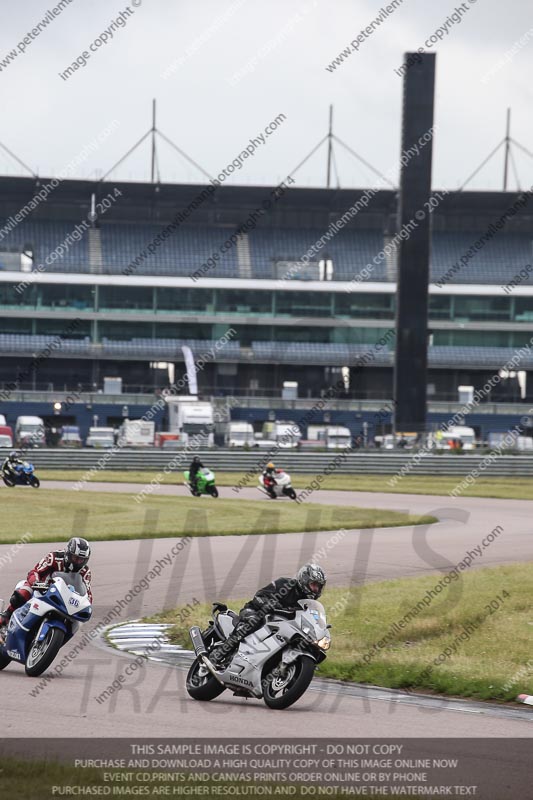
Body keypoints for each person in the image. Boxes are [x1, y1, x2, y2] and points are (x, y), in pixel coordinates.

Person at [210, 563, 327, 669]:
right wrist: (270, 604)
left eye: (318, 587)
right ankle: (221, 652)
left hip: (278, 624)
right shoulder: (285, 584)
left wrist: (319, 627)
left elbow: (309, 617)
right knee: (254, 621)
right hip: (255, 611)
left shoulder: (308, 603)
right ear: (304, 579)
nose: (316, 589)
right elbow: (259, 596)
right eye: (314, 585)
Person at [0, 537, 92, 634]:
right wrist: (36, 582)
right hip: (44, 590)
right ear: (68, 554)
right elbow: (35, 571)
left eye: (82, 560)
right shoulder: (54, 557)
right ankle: (6, 615)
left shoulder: (85, 572)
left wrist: (85, 605)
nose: (78, 562)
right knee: (25, 591)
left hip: (66, 601)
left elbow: (88, 594)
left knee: (76, 623)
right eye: (75, 558)